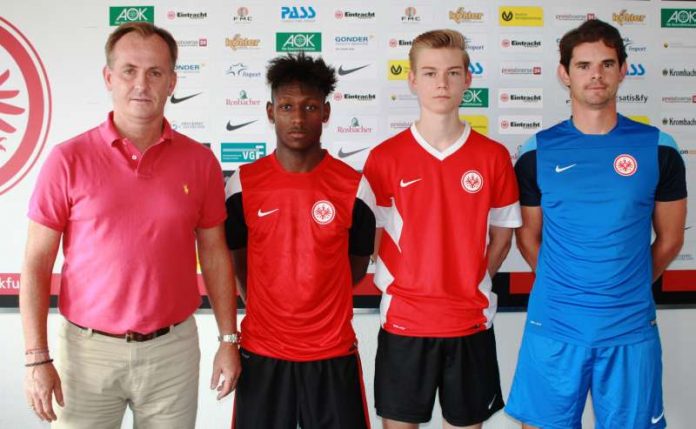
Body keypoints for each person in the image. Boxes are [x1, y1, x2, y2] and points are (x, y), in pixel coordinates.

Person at [20, 22, 241, 428]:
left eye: (155, 72)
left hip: (172, 353)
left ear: (172, 81)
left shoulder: (200, 162)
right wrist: (36, 357)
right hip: (86, 354)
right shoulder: (67, 160)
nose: (142, 83)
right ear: (109, 77)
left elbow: (214, 253)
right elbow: (35, 263)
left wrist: (229, 340)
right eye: (129, 70)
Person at [505, 19, 687, 429]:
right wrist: (566, 282)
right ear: (564, 73)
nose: (596, 75)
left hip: (629, 328)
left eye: (606, 64)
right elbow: (528, 237)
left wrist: (628, 282)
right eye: (584, 65)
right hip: (553, 325)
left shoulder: (659, 148)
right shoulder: (537, 151)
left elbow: (671, 239)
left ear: (623, 70)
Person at [359, 29, 521, 429]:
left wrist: (475, 279)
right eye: (429, 73)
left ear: (467, 78)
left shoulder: (493, 156)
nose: (441, 83)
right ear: (412, 79)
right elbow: (373, 239)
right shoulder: (385, 158)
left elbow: (502, 236)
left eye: (452, 72)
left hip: (470, 323)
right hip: (403, 323)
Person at [224, 52, 376, 428]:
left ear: (325, 113)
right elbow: (239, 264)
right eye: (287, 106)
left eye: (309, 107)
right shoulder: (243, 184)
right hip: (262, 355)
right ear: (269, 111)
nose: (297, 118)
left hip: (332, 354)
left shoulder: (353, 187)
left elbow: (353, 267)